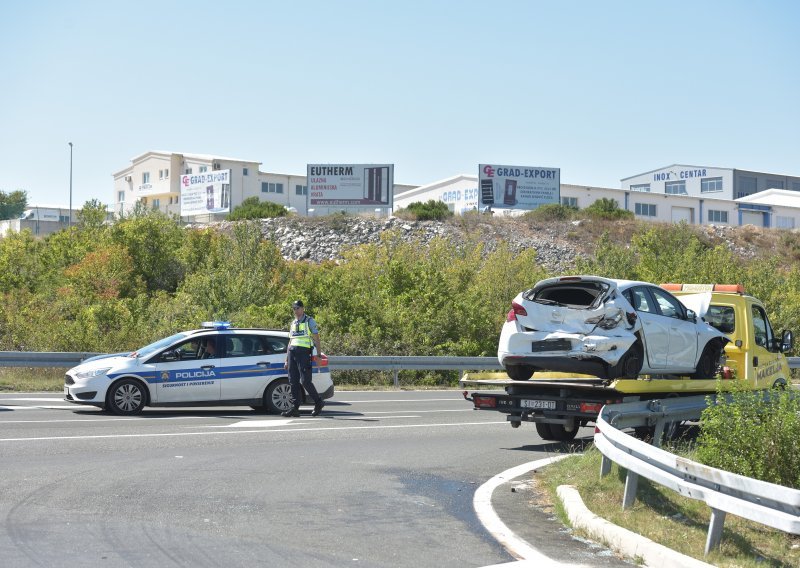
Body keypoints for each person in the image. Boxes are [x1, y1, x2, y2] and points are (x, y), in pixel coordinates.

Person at [282, 300, 324, 417]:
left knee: (305, 381)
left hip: (304, 354)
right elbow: (290, 342)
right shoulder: (293, 323)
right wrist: (286, 360)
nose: (296, 310)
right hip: (292, 354)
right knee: (293, 381)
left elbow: (316, 338)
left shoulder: (309, 321)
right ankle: (295, 408)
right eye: (294, 308)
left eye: (298, 308)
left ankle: (318, 402)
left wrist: (319, 355)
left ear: (303, 308)